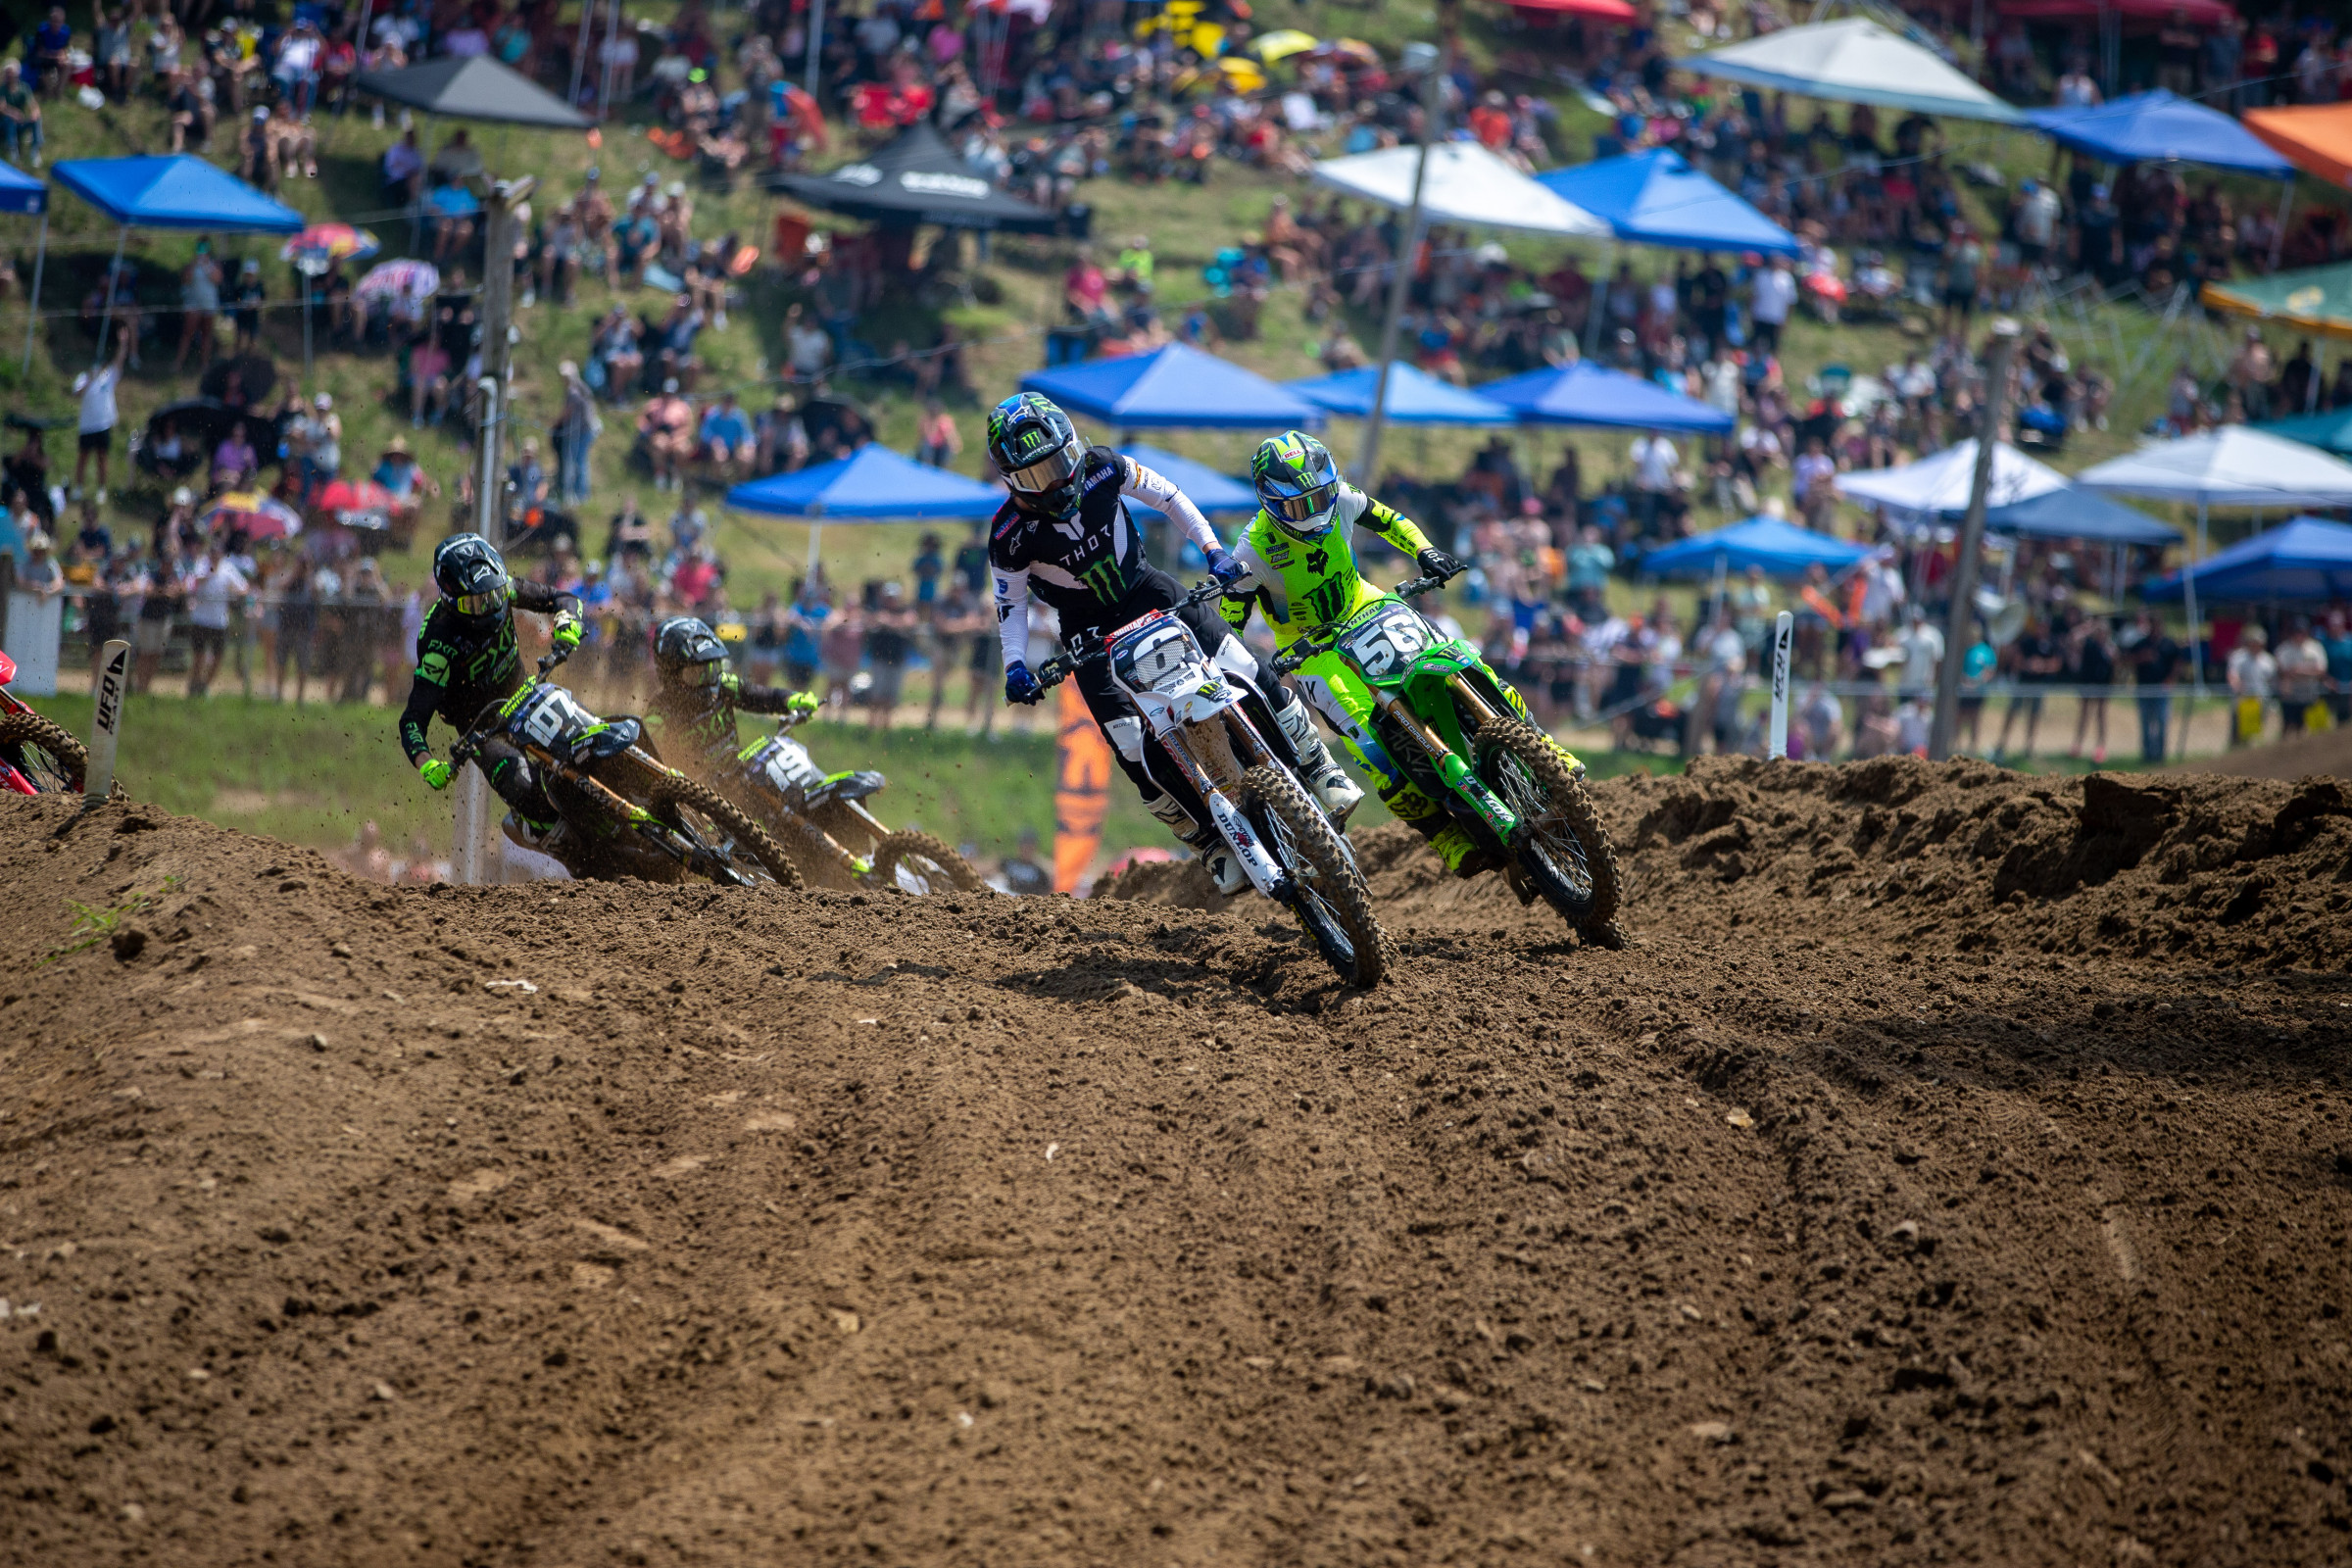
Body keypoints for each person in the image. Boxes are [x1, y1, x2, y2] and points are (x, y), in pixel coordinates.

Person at [984, 394, 1351, 893]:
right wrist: (1014, 666)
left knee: (1248, 665)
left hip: (1148, 589)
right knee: (1129, 743)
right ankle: (1208, 842)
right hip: (1087, 632)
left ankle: (1318, 764)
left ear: (1074, 445)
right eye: (1037, 475)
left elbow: (1169, 498)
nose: (1057, 481)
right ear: (1012, 480)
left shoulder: (1104, 466)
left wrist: (1214, 551)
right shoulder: (1007, 534)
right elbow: (1010, 603)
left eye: (1061, 461)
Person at [1217, 431, 1509, 877]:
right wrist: (1244, 670)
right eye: (1299, 507)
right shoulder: (1252, 550)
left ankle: (1540, 746)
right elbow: (1228, 626)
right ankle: (1445, 838)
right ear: (1270, 503)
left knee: (1456, 659)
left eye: (1320, 498)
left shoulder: (1343, 498)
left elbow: (1390, 519)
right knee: (1373, 749)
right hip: (1310, 648)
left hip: (1365, 603)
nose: (1314, 512)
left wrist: (1426, 551)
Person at [398, 534, 584, 843]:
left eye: (494, 596)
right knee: (521, 787)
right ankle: (552, 836)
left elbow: (562, 599)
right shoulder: (438, 643)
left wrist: (568, 623)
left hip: (526, 695)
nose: (490, 606)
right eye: (476, 602)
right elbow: (412, 721)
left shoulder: (503, 589)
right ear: (450, 599)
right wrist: (426, 763)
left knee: (583, 736)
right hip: (484, 731)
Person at [644, 613, 820, 773]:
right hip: (694, 792)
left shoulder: (723, 685)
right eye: (695, 673)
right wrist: (667, 774)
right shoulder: (659, 716)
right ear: (671, 674)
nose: (707, 680)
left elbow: (760, 696)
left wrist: (790, 699)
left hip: (738, 776)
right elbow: (645, 761)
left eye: (710, 669)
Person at [181, 542, 249, 698]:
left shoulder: (228, 568)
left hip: (219, 621)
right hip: (201, 619)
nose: (215, 556)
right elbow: (192, 582)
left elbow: (243, 588)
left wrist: (234, 592)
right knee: (198, 657)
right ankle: (194, 687)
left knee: (218, 657)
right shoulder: (201, 564)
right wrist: (209, 574)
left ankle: (204, 686)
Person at [74, 324, 131, 502]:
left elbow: (119, 361)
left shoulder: (108, 377)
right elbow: (77, 394)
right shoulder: (83, 378)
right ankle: (78, 487)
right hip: (87, 425)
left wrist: (123, 343)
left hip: (103, 424)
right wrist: (90, 379)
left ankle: (101, 489)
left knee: (102, 458)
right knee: (83, 457)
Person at [2130, 609, 2180, 763]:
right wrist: (2141, 658)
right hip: (2144, 688)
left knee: (2162, 721)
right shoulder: (2141, 644)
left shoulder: (2168, 644)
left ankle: (2160, 755)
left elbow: (2177, 663)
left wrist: (2170, 680)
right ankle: (2147, 755)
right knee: (2146, 723)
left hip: (2161, 689)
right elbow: (2126, 659)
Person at [2274, 615, 2328, 734]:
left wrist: (2299, 670)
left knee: (2309, 729)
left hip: (2310, 694)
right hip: (2291, 696)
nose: (2299, 635)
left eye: (2302, 632)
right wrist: (2308, 671)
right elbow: (2283, 671)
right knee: (2288, 727)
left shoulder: (2315, 648)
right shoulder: (2284, 649)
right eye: (2297, 632)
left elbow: (2321, 670)